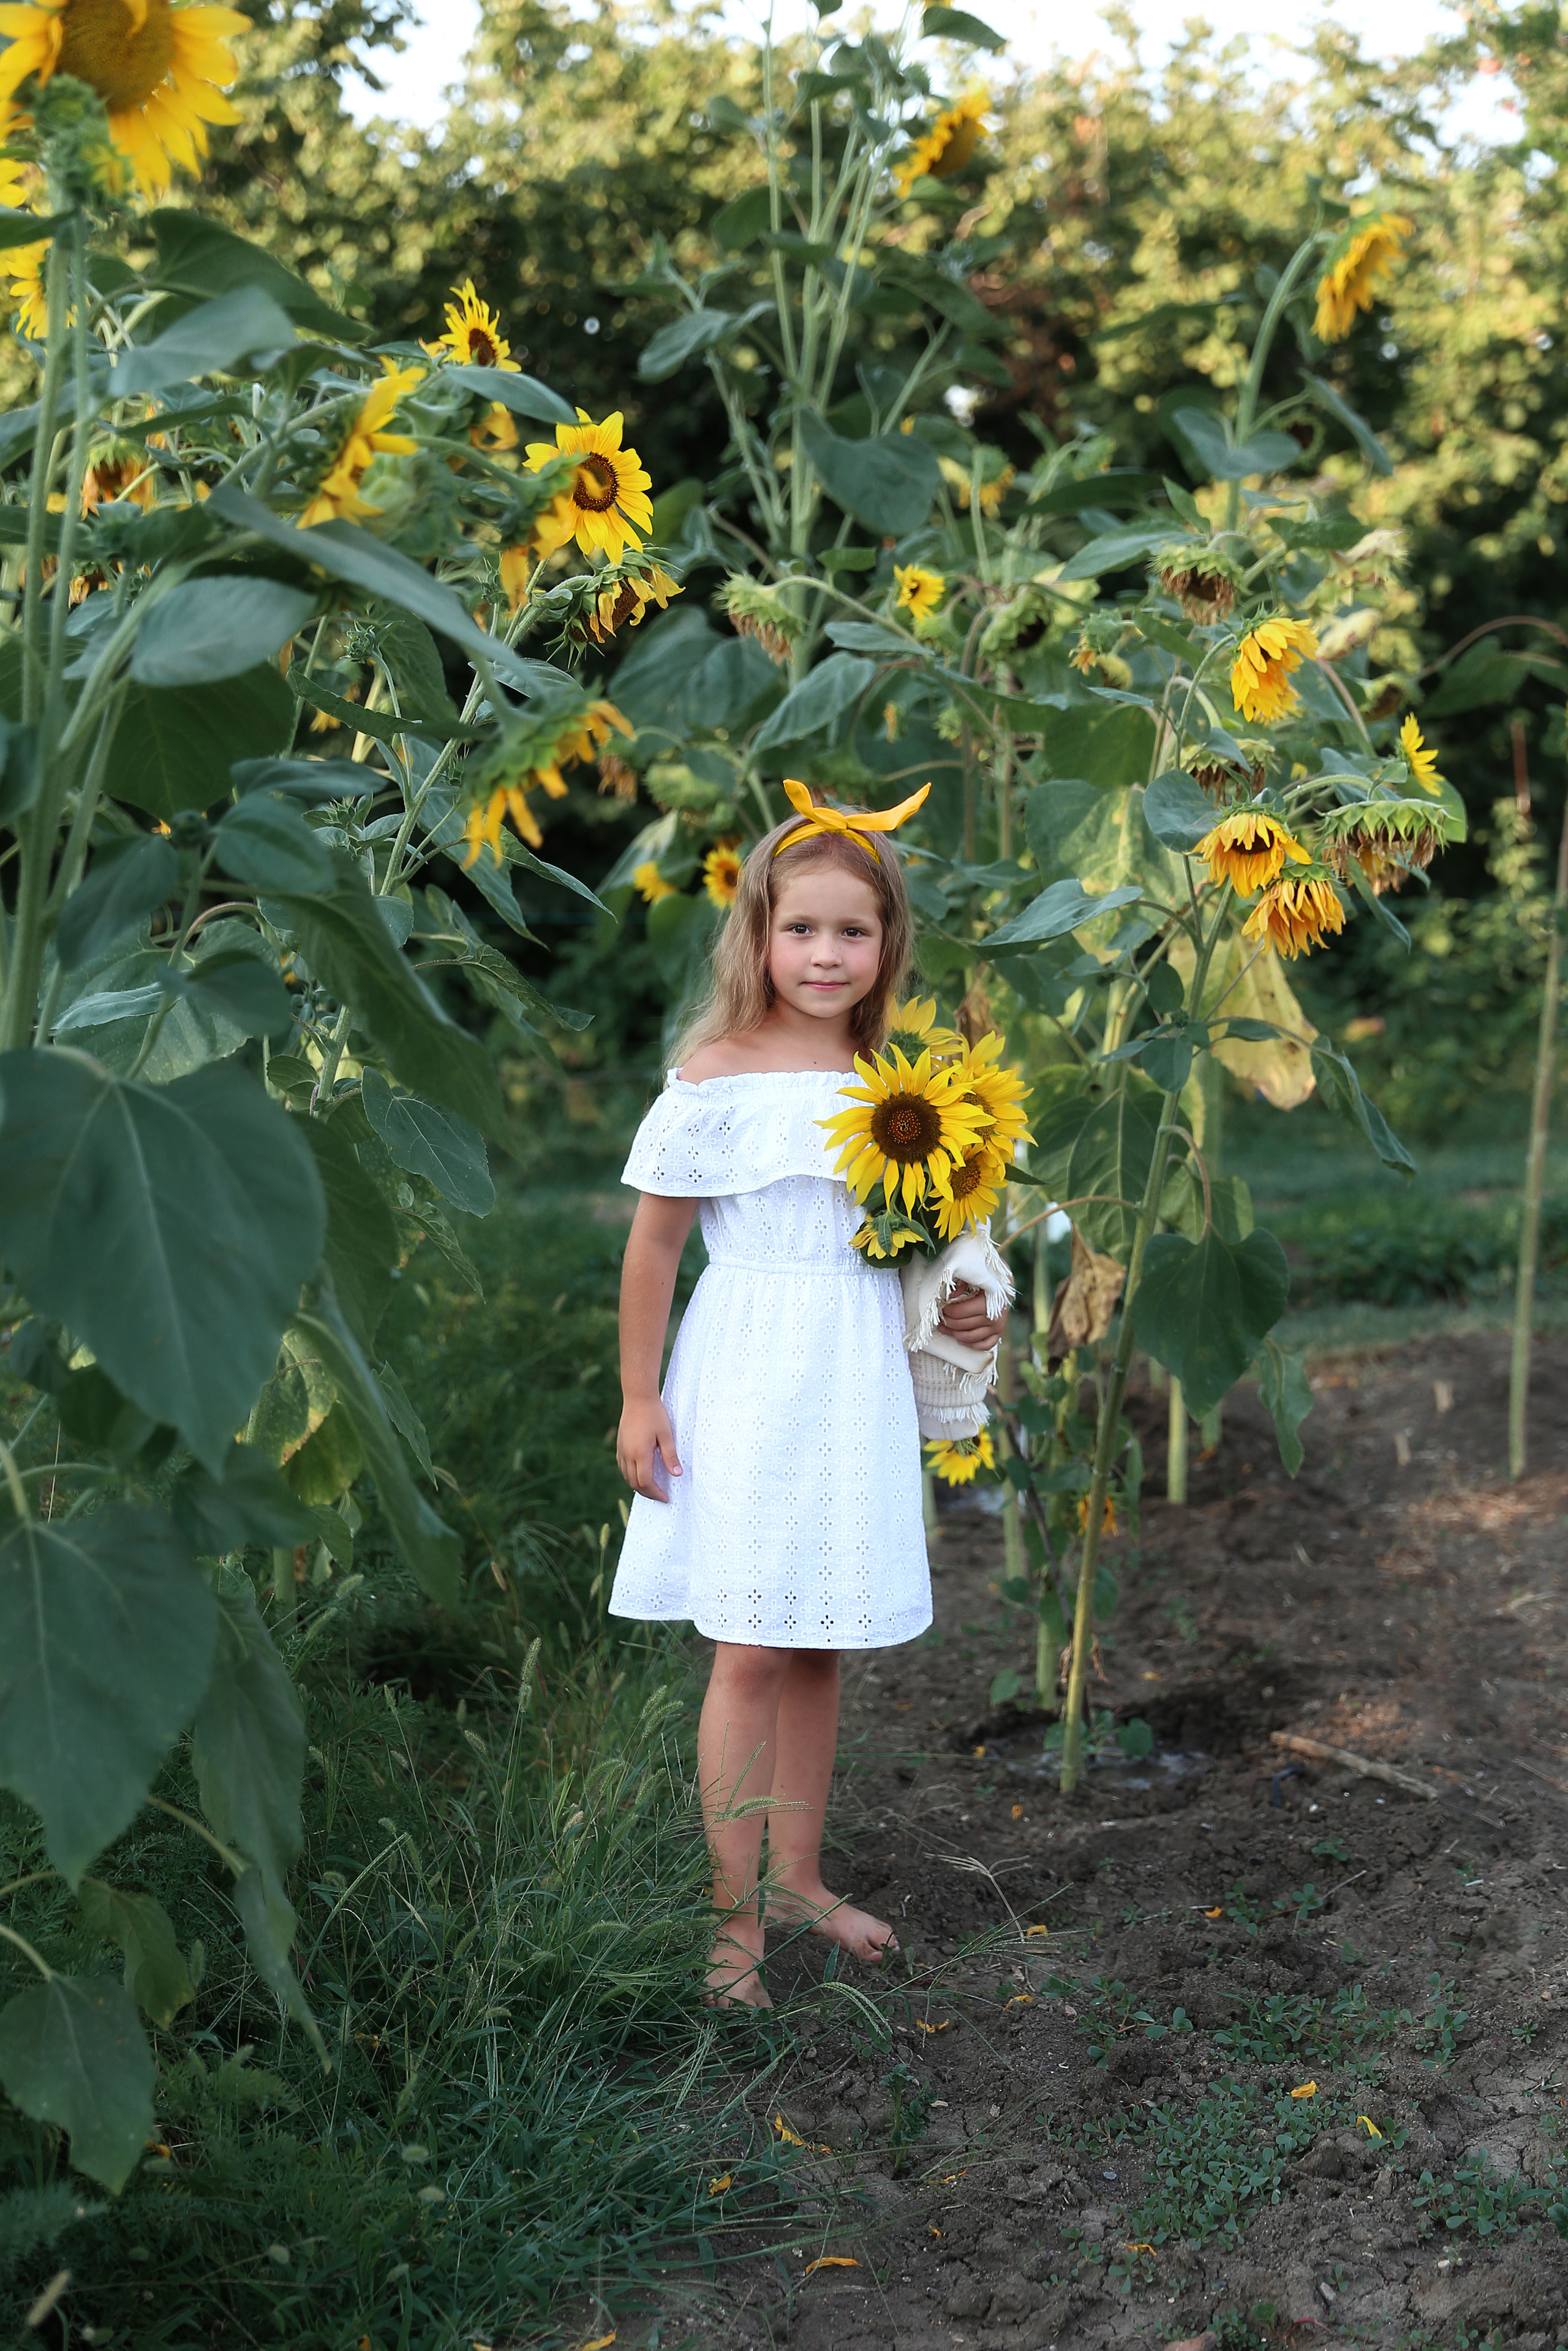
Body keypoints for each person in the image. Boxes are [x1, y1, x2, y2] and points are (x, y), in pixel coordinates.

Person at [612, 787, 1008, 2007]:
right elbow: (653, 1249)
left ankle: (798, 1873)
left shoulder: (897, 1082)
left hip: (848, 1370)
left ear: (887, 941)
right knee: (744, 1646)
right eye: (801, 930)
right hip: (742, 1366)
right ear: (758, 934)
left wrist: (962, 1300)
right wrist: (638, 1396)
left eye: (852, 930)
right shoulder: (715, 1074)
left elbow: (940, 1241)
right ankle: (730, 1924)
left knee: (819, 1635)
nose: (826, 955)